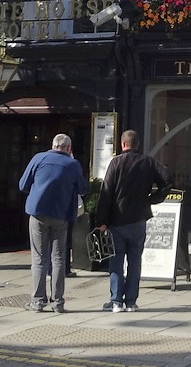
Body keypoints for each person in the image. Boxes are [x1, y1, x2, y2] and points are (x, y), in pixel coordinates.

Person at [94, 130, 171, 313]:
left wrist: (101, 220)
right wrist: (152, 199)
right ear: (137, 144)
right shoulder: (148, 162)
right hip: (138, 219)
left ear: (123, 144)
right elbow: (167, 180)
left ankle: (116, 301)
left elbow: (106, 192)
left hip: (117, 220)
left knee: (116, 261)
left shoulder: (116, 163)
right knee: (135, 261)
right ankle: (131, 301)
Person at [18, 133, 87, 313]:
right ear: (69, 149)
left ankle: (38, 301)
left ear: (52, 145)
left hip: (38, 213)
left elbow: (23, 184)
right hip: (61, 215)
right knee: (58, 259)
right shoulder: (73, 164)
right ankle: (58, 302)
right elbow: (83, 189)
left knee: (39, 259)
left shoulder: (39, 158)